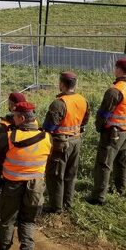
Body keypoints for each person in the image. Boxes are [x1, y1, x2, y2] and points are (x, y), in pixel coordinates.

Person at [0, 102, 51, 250]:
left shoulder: (9, 137)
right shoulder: (47, 137)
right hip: (36, 186)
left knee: (7, 219)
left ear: (22, 118)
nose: (13, 118)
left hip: (12, 184)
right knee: (27, 221)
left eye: (15, 116)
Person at [87, 58, 126, 206]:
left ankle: (98, 196)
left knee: (104, 164)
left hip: (113, 133)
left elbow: (104, 114)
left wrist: (100, 127)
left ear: (118, 69)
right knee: (122, 161)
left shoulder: (115, 91)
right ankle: (121, 188)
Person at [41, 72, 89, 214]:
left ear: (62, 84)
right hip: (76, 140)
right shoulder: (82, 100)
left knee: (55, 175)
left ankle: (56, 207)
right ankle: (68, 203)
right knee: (70, 174)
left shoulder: (59, 103)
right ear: (75, 85)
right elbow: (85, 120)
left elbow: (49, 126)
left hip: (61, 144)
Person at [0, 92, 27, 237]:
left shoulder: (2, 126)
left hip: (3, 169)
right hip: (24, 171)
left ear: (12, 106)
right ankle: (16, 223)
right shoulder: (31, 127)